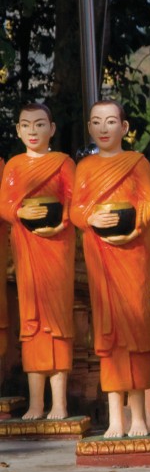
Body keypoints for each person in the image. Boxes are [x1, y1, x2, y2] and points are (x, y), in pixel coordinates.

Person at [71, 100, 150, 438]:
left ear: (124, 128)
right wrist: (91, 218)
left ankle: (138, 415)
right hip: (100, 252)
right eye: (97, 122)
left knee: (135, 330)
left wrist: (132, 224)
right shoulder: (86, 167)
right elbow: (77, 208)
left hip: (132, 252)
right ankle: (115, 418)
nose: (104, 128)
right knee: (108, 334)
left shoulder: (137, 163)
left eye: (111, 121)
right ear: (91, 128)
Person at [1, 103, 75, 420]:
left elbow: (75, 200)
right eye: (26, 125)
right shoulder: (14, 165)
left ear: (52, 129)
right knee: (32, 324)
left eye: (39, 125)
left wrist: (64, 218)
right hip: (27, 244)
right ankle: (35, 403)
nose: (33, 132)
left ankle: (58, 404)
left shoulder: (63, 163)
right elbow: (4, 204)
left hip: (56, 244)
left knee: (57, 322)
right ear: (18, 130)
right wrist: (18, 211)